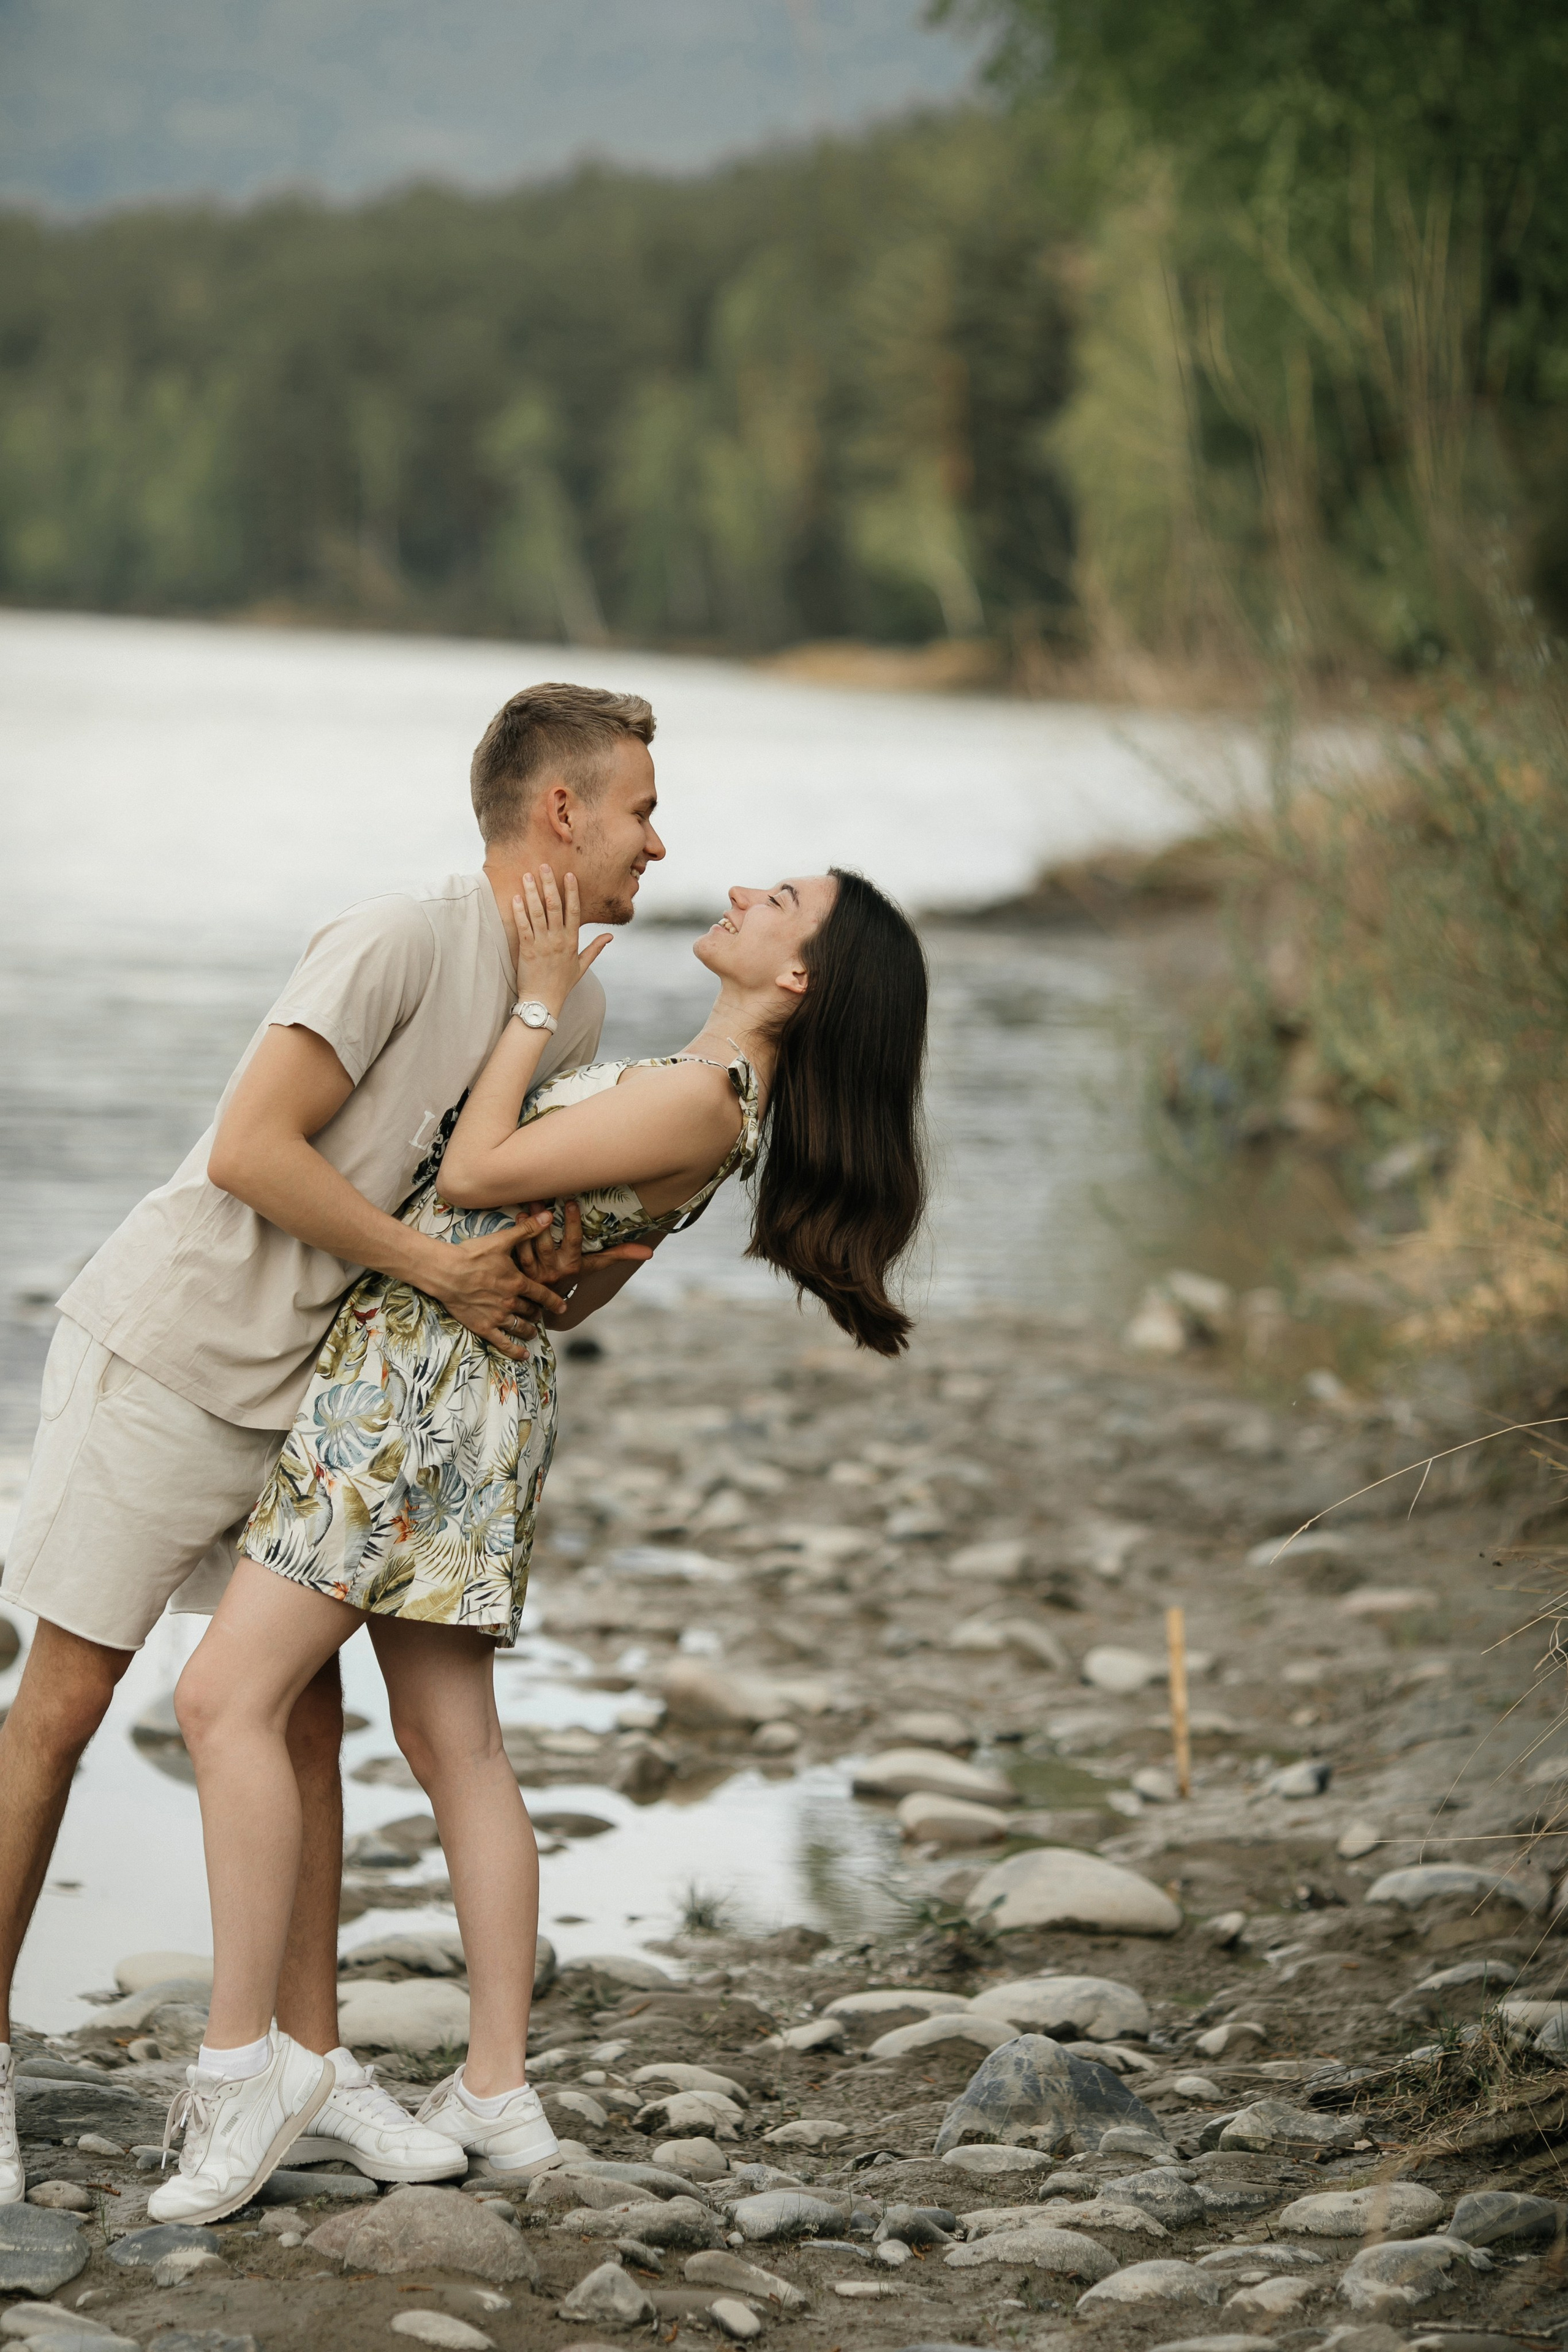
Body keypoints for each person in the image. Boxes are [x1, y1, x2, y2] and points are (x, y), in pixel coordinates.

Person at [145, 858, 929, 2223]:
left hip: (413, 1406)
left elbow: (474, 1167)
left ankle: (242, 2072)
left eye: (779, 901)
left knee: (222, 1701)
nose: (740, 889)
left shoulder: (697, 1098)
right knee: (461, 1749)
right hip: (473, 1392)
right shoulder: (706, 1101)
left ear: (797, 980)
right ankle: (493, 2092)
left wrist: (532, 999)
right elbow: (558, 1290)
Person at [0, 682, 665, 2205]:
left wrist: (564, 1266)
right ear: (559, 812)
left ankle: (308, 2066)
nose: (656, 839)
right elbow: (250, 1149)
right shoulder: (399, 936)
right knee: (63, 1707)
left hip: (328, 1399)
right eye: (637, 806)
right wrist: (436, 1270)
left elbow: (501, 1205)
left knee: (299, 1724)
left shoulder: (591, 1004)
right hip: (177, 1356)